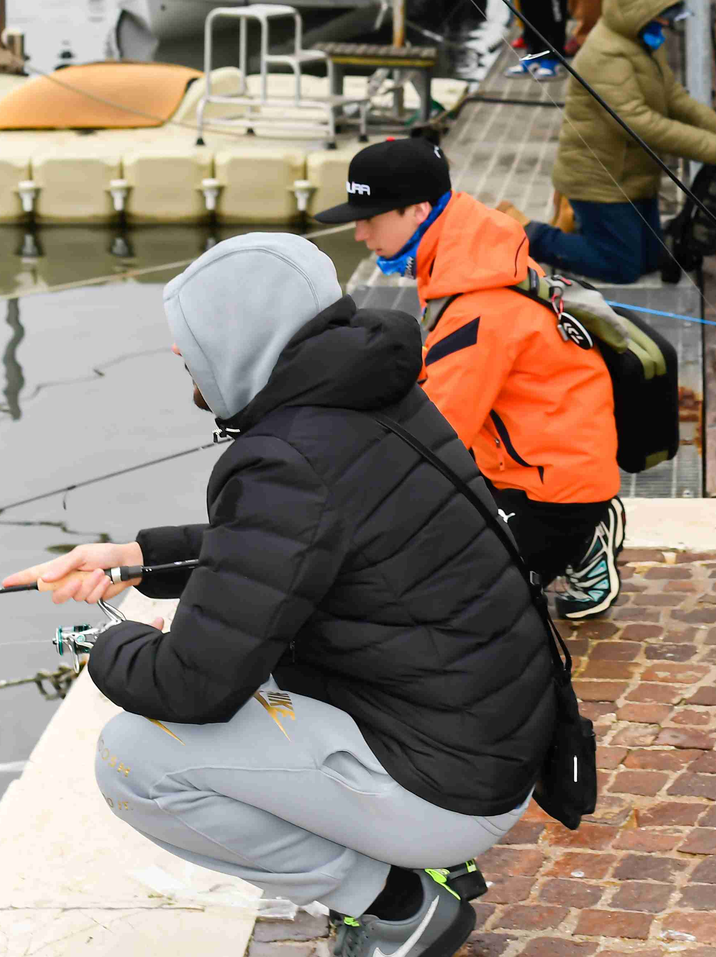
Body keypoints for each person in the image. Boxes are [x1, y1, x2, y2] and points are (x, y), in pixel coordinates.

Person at [2, 233, 554, 957]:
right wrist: (137, 561)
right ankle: (416, 859)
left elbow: (191, 685)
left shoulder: (286, 458)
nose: (177, 353)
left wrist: (106, 644)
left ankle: (397, 905)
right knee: (250, 663)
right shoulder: (370, 400)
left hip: (450, 784)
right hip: (491, 741)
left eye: (189, 338)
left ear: (240, 338)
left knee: (135, 759)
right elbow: (302, 545)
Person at [315, 138, 626, 621]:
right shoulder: (471, 259)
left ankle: (580, 539)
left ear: (417, 212)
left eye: (370, 218)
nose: (359, 234)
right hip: (526, 467)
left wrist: (334, 467)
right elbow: (446, 371)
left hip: (552, 493)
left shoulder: (480, 303)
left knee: (423, 592)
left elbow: (435, 435)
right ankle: (572, 536)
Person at [525, 0, 716, 284]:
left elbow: (672, 95)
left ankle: (588, 230)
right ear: (639, 13)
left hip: (634, 179)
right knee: (621, 268)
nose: (667, 24)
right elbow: (638, 123)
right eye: (663, 16)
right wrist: (710, 146)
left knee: (651, 260)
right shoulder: (604, 55)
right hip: (599, 182)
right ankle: (529, 236)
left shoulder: (644, 42)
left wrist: (715, 123)